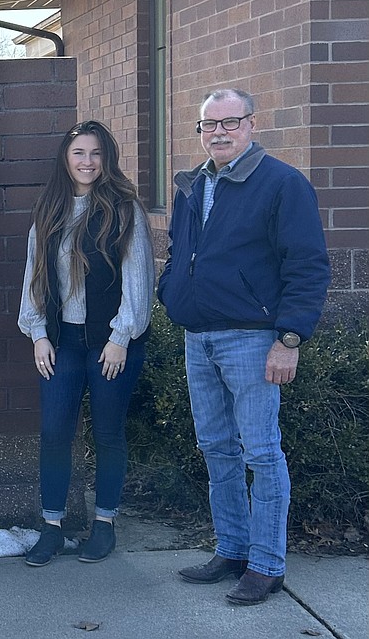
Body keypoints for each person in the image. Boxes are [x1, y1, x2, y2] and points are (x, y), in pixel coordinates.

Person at [158, 88, 329, 606]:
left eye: (230, 122)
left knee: (260, 451)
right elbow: (178, 251)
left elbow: (307, 265)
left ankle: (266, 565)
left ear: (252, 124)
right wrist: (172, 292)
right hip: (199, 337)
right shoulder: (194, 185)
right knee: (216, 448)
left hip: (255, 341)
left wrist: (290, 338)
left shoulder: (282, 184)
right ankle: (231, 549)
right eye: (209, 125)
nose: (219, 132)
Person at [18, 120, 155, 567]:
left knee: (108, 433)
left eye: (96, 154)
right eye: (79, 153)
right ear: (65, 157)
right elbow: (35, 276)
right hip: (63, 342)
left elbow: (138, 276)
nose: (88, 162)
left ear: (106, 159)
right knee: (55, 432)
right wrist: (38, 333)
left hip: (111, 342)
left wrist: (121, 337)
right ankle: (52, 528)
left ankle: (104, 524)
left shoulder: (123, 208)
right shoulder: (50, 208)